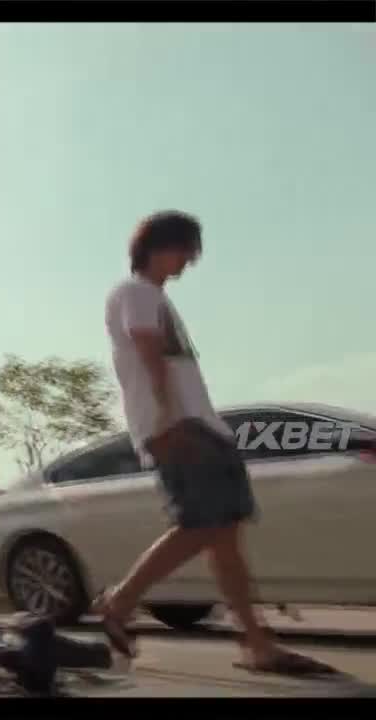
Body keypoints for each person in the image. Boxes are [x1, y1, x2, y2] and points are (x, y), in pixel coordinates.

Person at [96, 210, 330, 675]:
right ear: (159, 247)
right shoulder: (136, 293)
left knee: (224, 538)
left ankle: (256, 644)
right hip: (179, 427)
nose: (188, 261)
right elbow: (149, 355)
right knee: (201, 526)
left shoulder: (156, 299)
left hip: (201, 426)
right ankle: (119, 602)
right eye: (185, 251)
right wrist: (168, 418)